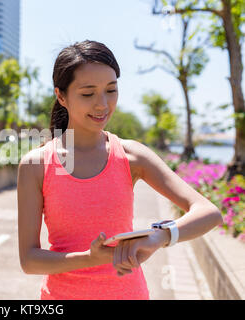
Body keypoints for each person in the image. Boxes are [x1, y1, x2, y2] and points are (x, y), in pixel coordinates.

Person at [16, 40, 223, 300]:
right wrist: (89, 259)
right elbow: (29, 260)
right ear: (61, 96)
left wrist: (159, 237)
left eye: (111, 90)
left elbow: (209, 213)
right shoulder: (36, 165)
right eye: (88, 93)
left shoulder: (131, 155)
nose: (102, 104)